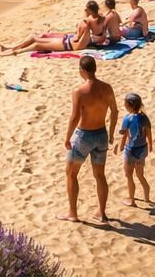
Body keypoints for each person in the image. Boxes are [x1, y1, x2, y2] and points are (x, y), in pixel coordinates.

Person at [62, 56, 119, 223]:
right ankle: (101, 213)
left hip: (84, 136)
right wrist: (111, 133)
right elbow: (114, 111)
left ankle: (72, 213)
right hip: (101, 134)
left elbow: (74, 117)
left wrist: (67, 137)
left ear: (82, 70)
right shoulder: (107, 88)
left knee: (71, 173)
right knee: (100, 175)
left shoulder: (79, 91)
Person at [117, 92, 153, 208]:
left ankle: (131, 200)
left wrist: (121, 146)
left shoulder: (127, 118)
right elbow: (149, 133)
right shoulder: (144, 117)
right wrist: (150, 145)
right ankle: (147, 198)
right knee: (140, 175)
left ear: (129, 105)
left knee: (129, 175)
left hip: (131, 150)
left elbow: (124, 134)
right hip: (142, 149)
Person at [0, 20, 93, 56]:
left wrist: (83, 29)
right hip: (64, 40)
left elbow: (77, 45)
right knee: (33, 37)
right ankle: (11, 48)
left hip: (64, 44)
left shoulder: (84, 39)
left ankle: (15, 52)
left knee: (37, 45)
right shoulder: (83, 35)